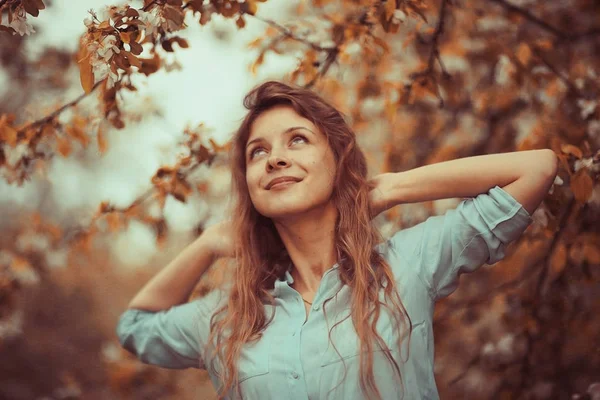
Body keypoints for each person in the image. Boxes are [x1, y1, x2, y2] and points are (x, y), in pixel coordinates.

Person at [116, 80, 558, 400]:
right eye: (259, 151)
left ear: (337, 160)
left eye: (298, 140)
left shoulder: (405, 267)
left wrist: (388, 189)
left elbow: (537, 168)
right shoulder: (228, 318)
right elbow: (134, 328)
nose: (276, 160)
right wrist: (208, 243)